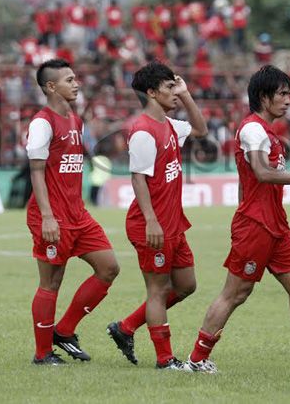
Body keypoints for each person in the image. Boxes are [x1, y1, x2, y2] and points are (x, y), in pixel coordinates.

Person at [183, 65, 290, 374]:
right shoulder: (252, 129)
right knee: (236, 293)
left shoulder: (266, 131)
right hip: (256, 225)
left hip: (275, 223)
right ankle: (197, 360)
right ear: (264, 97)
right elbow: (262, 173)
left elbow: (246, 182)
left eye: (289, 93)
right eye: (282, 93)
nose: (289, 100)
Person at [107, 61, 208, 370]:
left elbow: (201, 130)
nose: (173, 93)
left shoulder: (170, 125)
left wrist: (186, 93)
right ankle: (165, 360)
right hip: (151, 224)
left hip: (173, 222)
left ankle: (125, 327)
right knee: (158, 289)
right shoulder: (142, 132)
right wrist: (151, 220)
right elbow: (138, 178)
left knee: (186, 285)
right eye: (168, 88)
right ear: (151, 92)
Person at [26, 59, 120, 365]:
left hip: (78, 214)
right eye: (69, 79)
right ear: (51, 87)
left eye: (76, 78)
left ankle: (64, 330)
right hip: (52, 215)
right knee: (51, 283)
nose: (76, 83)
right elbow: (37, 172)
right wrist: (48, 216)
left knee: (108, 268)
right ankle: (42, 354)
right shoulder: (42, 123)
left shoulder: (75, 120)